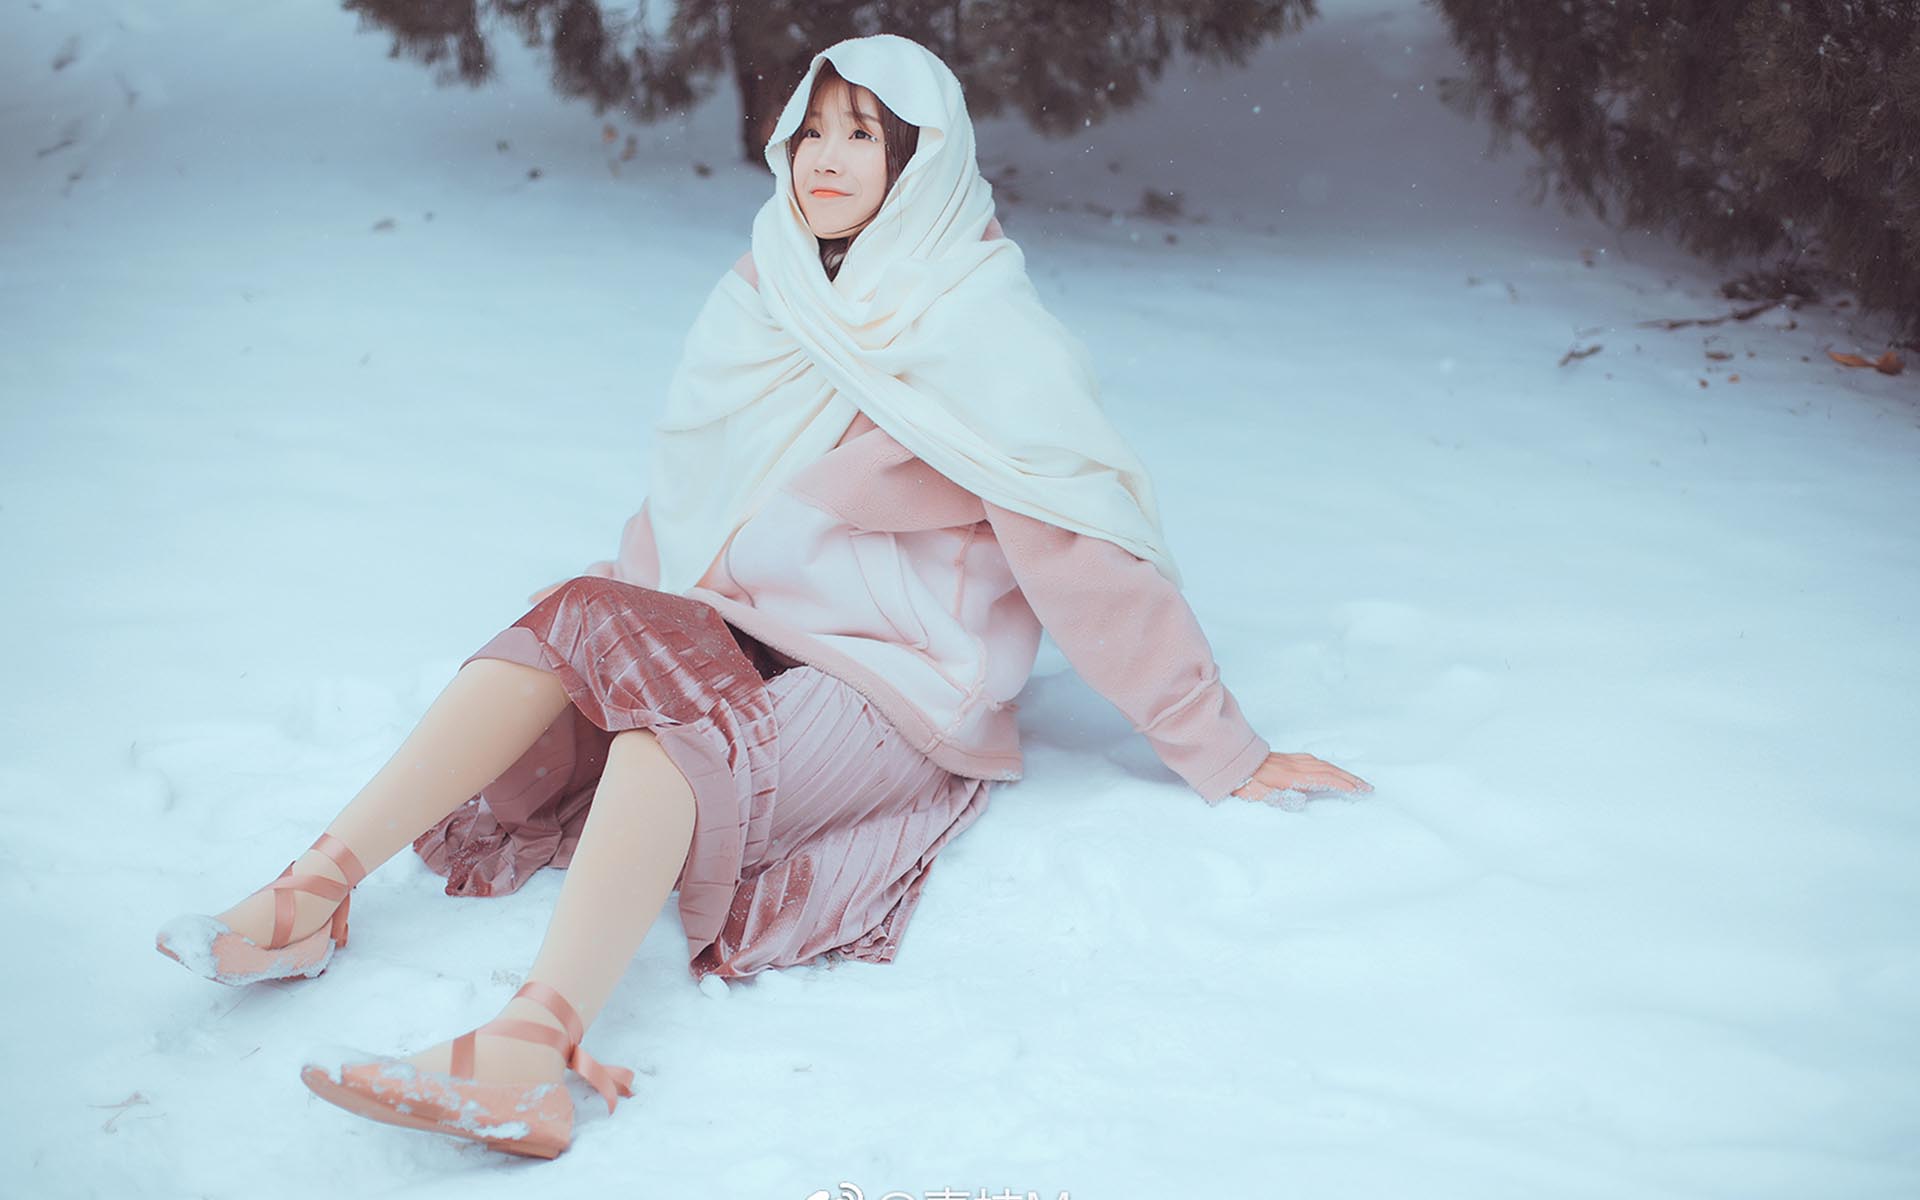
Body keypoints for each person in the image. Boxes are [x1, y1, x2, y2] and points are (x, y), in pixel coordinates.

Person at [155, 33, 1371, 1159]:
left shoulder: (979, 326)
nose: (825, 158)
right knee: (577, 618)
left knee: (671, 731)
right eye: (812, 129)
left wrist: (1222, 748)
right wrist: (590, 643)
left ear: (920, 164)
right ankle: (309, 895)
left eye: (864, 135)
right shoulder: (767, 287)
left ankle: (531, 1052)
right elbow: (692, 496)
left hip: (898, 680)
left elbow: (1082, 557)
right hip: (747, 628)